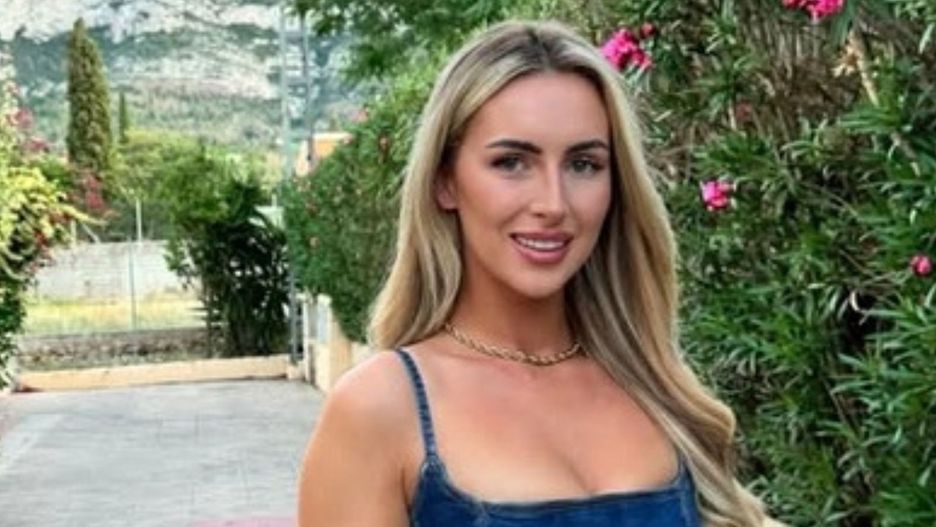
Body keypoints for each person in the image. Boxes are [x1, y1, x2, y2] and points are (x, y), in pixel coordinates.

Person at [297, 19, 781, 527]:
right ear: (446, 182)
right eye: (512, 162)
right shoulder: (379, 409)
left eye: (584, 164)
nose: (554, 203)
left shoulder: (656, 388)